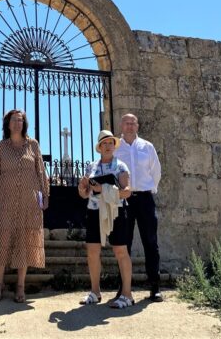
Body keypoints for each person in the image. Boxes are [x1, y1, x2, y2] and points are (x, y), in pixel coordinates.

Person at [0, 109, 49, 303]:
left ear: (24, 124)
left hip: (29, 204)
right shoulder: (1, 147)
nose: (17, 123)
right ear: (7, 123)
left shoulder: (33, 145)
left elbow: (41, 172)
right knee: (3, 240)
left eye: (20, 120)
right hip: (4, 202)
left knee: (23, 242)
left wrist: (45, 195)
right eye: (13, 120)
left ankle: (20, 287)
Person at [77, 130, 134, 309]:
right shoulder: (91, 167)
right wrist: (82, 188)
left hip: (115, 211)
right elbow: (85, 195)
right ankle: (95, 292)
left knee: (120, 251)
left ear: (114, 146)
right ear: (99, 148)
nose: (108, 146)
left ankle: (127, 294)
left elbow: (127, 192)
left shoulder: (121, 166)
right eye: (104, 143)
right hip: (94, 211)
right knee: (92, 251)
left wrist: (104, 189)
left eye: (111, 143)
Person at [114, 113, 163, 302]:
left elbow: (155, 171)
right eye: (126, 123)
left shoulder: (147, 147)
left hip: (144, 198)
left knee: (150, 241)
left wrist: (150, 189)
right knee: (123, 244)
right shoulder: (116, 147)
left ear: (137, 126)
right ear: (121, 125)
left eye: (133, 123)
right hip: (123, 200)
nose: (129, 126)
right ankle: (123, 287)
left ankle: (155, 286)